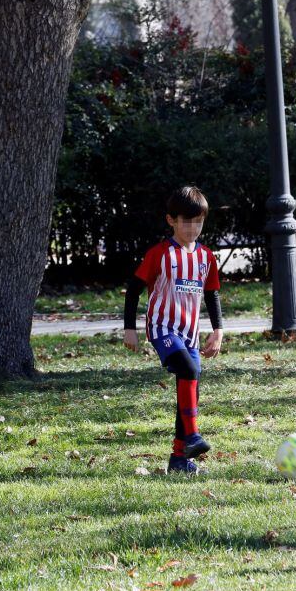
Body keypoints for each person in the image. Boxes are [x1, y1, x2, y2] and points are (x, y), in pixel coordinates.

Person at [123, 186, 224, 474]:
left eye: (198, 222)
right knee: (188, 370)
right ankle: (192, 436)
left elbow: (212, 294)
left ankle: (180, 460)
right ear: (171, 220)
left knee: (189, 392)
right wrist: (129, 328)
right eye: (186, 221)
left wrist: (218, 331)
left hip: (190, 334)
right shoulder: (160, 254)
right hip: (162, 329)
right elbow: (133, 290)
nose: (193, 228)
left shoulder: (206, 257)